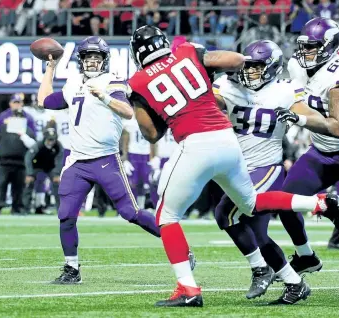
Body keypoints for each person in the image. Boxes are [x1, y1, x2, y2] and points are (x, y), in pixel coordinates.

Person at [128, 25, 338, 307]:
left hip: (201, 145)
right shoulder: (189, 53)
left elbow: (151, 134)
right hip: (227, 141)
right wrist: (202, 73)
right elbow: (236, 60)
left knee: (166, 216)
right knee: (246, 206)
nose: (252, 72)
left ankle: (188, 289)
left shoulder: (137, 81)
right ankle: (316, 210)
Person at [36, 36, 194, 284]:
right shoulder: (73, 82)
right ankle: (72, 269)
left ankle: (182, 250)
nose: (92, 62)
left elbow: (127, 111)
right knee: (66, 215)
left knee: (130, 212)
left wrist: (104, 97)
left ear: (104, 61)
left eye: (97, 57)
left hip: (105, 159)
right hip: (77, 161)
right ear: (81, 60)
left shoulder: (112, 81)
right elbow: (43, 100)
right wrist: (50, 69)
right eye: (88, 57)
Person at [213, 39, 339, 302]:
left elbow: (314, 117)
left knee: (225, 213)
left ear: (271, 68)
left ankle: (262, 269)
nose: (250, 72)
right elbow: (210, 102)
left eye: (257, 67)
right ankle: (295, 281)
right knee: (257, 234)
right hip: (238, 169)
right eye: (248, 66)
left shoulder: (285, 90)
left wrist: (300, 118)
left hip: (267, 168)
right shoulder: (229, 86)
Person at [279, 17, 339, 266]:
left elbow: (336, 127)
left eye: (312, 47)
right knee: (285, 202)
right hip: (322, 152)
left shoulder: (334, 78)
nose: (305, 52)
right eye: (303, 46)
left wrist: (299, 119)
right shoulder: (298, 66)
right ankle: (305, 256)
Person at [0, 104, 36, 215]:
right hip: (4, 162)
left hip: (20, 163)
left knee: (18, 187)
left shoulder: (27, 131)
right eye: (16, 117)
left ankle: (17, 208)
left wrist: (22, 135)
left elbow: (33, 145)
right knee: (1, 186)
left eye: (20, 117)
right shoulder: (4, 128)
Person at [23, 126, 63, 214]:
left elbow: (59, 161)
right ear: (45, 138)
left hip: (50, 167)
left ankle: (61, 209)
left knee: (57, 183)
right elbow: (28, 158)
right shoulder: (38, 145)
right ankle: (25, 208)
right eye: (49, 139)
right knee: (29, 183)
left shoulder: (59, 146)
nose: (51, 142)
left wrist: (57, 174)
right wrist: (29, 174)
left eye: (53, 139)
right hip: (36, 166)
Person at [121, 116, 152, 207]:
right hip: (133, 154)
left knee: (144, 183)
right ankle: (130, 206)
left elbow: (153, 142)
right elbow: (125, 142)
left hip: (146, 154)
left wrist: (153, 157)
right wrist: (125, 159)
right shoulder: (129, 123)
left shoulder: (149, 122)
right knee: (131, 183)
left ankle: (141, 207)